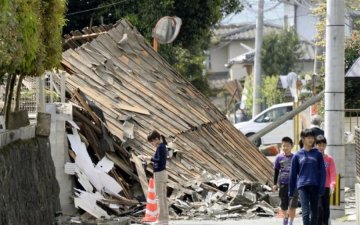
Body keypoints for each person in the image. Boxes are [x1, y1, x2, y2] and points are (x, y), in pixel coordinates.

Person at [289, 129, 326, 225]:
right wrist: (291, 190)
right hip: (302, 186)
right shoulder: (297, 155)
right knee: (305, 212)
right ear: (303, 139)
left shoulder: (318, 154)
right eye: (308, 137)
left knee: (314, 212)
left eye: (312, 138)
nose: (311, 140)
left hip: (315, 186)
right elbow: (293, 174)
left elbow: (322, 172)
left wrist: (321, 188)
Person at [273, 137, 298, 225]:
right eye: (284, 146)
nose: (285, 148)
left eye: (287, 146)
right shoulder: (278, 157)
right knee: (283, 205)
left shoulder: (295, 157)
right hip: (283, 185)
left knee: (293, 205)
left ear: (292, 146)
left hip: (294, 185)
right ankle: (285, 218)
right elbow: (276, 171)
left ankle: (290, 222)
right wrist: (274, 184)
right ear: (281, 147)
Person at [147, 130, 169, 225]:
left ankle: (161, 220)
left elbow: (159, 160)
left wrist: (149, 158)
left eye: (152, 141)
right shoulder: (163, 146)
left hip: (159, 174)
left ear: (156, 139)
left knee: (159, 197)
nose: (152, 144)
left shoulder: (160, 147)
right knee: (163, 197)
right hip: (163, 173)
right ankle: (164, 219)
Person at [316, 135, 336, 225]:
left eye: (323, 145)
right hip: (316, 187)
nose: (321, 147)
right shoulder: (314, 158)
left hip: (326, 187)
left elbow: (332, 173)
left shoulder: (329, 159)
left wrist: (333, 184)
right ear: (316, 145)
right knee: (319, 208)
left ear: (326, 145)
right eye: (319, 145)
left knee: (326, 208)